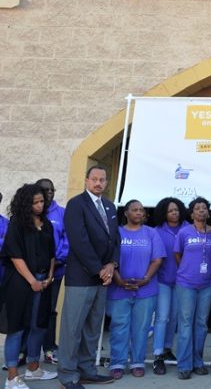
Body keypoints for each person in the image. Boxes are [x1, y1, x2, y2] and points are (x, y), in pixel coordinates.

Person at [58, 166, 120, 389]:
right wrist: (99, 269)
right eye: (94, 179)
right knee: (72, 330)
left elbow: (115, 240)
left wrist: (112, 265)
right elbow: (79, 241)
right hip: (82, 277)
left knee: (93, 329)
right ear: (86, 181)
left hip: (102, 278)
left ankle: (87, 371)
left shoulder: (110, 206)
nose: (98, 183)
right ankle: (67, 376)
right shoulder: (76, 204)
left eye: (102, 179)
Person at [0, 184, 57, 389]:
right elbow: (15, 256)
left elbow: (52, 253)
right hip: (20, 283)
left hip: (44, 282)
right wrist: (32, 281)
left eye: (42, 201)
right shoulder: (17, 224)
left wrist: (50, 276)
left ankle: (34, 368)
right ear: (25, 203)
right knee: (16, 328)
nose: (39, 205)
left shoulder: (48, 224)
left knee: (39, 325)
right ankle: (12, 377)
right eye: (35, 202)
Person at [107, 199, 165, 379]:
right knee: (119, 327)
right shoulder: (116, 232)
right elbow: (109, 258)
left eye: (141, 210)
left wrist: (145, 279)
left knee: (141, 328)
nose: (139, 213)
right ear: (126, 213)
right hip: (119, 289)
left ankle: (137, 362)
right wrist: (119, 280)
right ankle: (117, 362)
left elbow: (157, 259)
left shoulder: (151, 233)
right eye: (135, 210)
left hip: (146, 290)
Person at [173, 197, 211, 380]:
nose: (201, 211)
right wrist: (188, 270)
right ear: (191, 214)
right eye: (197, 208)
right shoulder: (183, 233)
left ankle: (198, 362)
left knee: (201, 324)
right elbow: (177, 254)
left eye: (204, 208)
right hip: (186, 284)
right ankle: (184, 365)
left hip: (207, 284)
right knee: (185, 323)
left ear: (208, 212)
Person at [151, 197, 189, 374]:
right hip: (163, 281)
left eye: (177, 210)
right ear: (163, 214)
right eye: (170, 211)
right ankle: (158, 355)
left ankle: (167, 349)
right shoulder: (156, 231)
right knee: (162, 317)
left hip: (183, 282)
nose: (174, 213)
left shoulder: (189, 228)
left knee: (174, 317)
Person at [35, 178, 66, 365]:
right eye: (44, 190)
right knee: (30, 310)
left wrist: (59, 257)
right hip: (31, 272)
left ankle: (49, 349)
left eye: (51, 189)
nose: (49, 193)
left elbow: (67, 238)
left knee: (50, 310)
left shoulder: (61, 213)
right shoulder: (29, 212)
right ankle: (25, 353)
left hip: (56, 270)